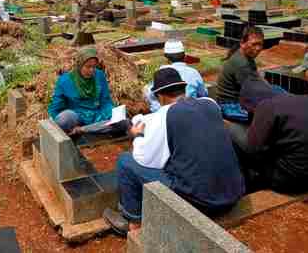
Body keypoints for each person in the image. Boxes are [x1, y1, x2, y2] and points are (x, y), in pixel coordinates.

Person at [103, 68, 245, 236]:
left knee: (126, 162)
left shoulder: (164, 116)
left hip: (201, 203)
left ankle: (134, 224)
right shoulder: (210, 104)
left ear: (159, 96)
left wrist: (136, 135)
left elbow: (144, 159)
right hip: (233, 195)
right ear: (183, 89)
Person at [227, 80, 308, 193]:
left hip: (291, 181)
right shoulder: (306, 100)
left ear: (251, 103)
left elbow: (253, 149)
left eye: (246, 109)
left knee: (233, 129)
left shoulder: (267, 106)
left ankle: (244, 181)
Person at [48, 47, 114, 133]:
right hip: (77, 116)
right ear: (79, 65)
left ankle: (83, 130)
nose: (91, 70)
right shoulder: (65, 80)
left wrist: (109, 112)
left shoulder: (99, 75)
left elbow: (105, 100)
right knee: (65, 118)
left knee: (121, 121)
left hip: (97, 115)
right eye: (88, 67)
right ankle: (96, 128)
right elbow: (56, 106)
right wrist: (58, 123)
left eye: (94, 67)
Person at [143, 40, 207, 112]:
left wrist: (157, 110)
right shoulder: (194, 73)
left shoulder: (161, 73)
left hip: (165, 113)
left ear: (166, 58)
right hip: (190, 111)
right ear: (184, 56)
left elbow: (149, 94)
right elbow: (203, 94)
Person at [216, 26, 264, 121]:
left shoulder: (246, 57)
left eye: (260, 44)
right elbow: (254, 91)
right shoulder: (241, 64)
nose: (258, 48)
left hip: (238, 99)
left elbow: (257, 82)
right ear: (242, 43)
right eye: (254, 44)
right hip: (231, 105)